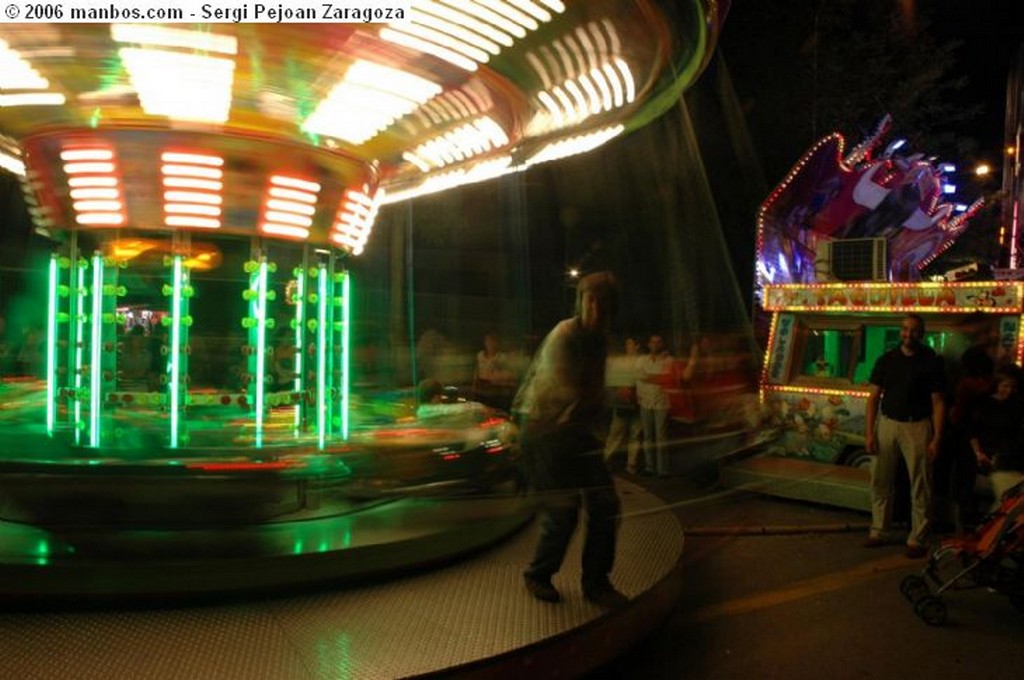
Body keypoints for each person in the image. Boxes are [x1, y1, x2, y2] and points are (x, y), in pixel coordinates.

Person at [512, 271, 627, 609]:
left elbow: (592, 395)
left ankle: (596, 582)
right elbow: (567, 390)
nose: (595, 308)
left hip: (575, 432)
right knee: (563, 512)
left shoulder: (601, 341)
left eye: (602, 302)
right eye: (589, 300)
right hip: (544, 431)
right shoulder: (564, 335)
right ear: (580, 302)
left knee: (606, 506)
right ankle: (538, 574)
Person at [864, 314, 946, 558]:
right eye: (905, 329)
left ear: (922, 334)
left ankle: (918, 537)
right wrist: (870, 433)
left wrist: (936, 438)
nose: (908, 334)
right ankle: (879, 530)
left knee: (920, 483)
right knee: (880, 479)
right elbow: (873, 398)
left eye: (913, 330)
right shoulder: (887, 360)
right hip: (887, 424)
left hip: (917, 426)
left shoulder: (931, 362)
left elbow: (938, 402)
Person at [968, 366, 1024, 505]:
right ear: (997, 384)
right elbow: (972, 431)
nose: (1009, 391)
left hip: (1008, 459)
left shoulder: (1017, 404)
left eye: (1013, 387)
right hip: (985, 457)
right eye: (1005, 386)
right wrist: (978, 453)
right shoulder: (983, 402)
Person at [636, 334, 675, 476]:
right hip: (645, 401)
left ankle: (663, 469)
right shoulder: (641, 360)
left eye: (658, 342)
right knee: (648, 436)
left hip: (661, 402)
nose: (656, 344)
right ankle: (650, 467)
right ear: (648, 344)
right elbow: (639, 376)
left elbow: (666, 379)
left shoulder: (668, 360)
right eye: (653, 342)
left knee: (661, 436)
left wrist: (649, 377)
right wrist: (656, 378)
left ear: (662, 344)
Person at [603, 337, 643, 473]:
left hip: (638, 402)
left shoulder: (642, 361)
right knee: (616, 433)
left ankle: (631, 463)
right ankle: (607, 459)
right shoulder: (621, 361)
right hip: (622, 402)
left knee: (635, 434)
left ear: (637, 346)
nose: (627, 346)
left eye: (630, 344)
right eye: (626, 344)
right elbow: (612, 379)